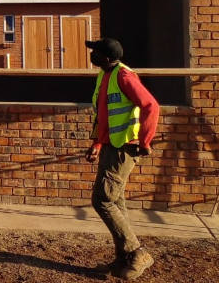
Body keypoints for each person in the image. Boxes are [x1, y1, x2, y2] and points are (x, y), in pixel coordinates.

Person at [85, 37, 159, 280]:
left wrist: (145, 141)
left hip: (125, 147)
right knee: (116, 201)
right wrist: (97, 143)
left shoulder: (124, 76)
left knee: (102, 200)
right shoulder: (104, 75)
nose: (92, 55)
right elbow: (104, 115)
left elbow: (151, 106)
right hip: (111, 146)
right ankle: (122, 260)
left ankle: (137, 252)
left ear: (106, 58)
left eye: (95, 52)